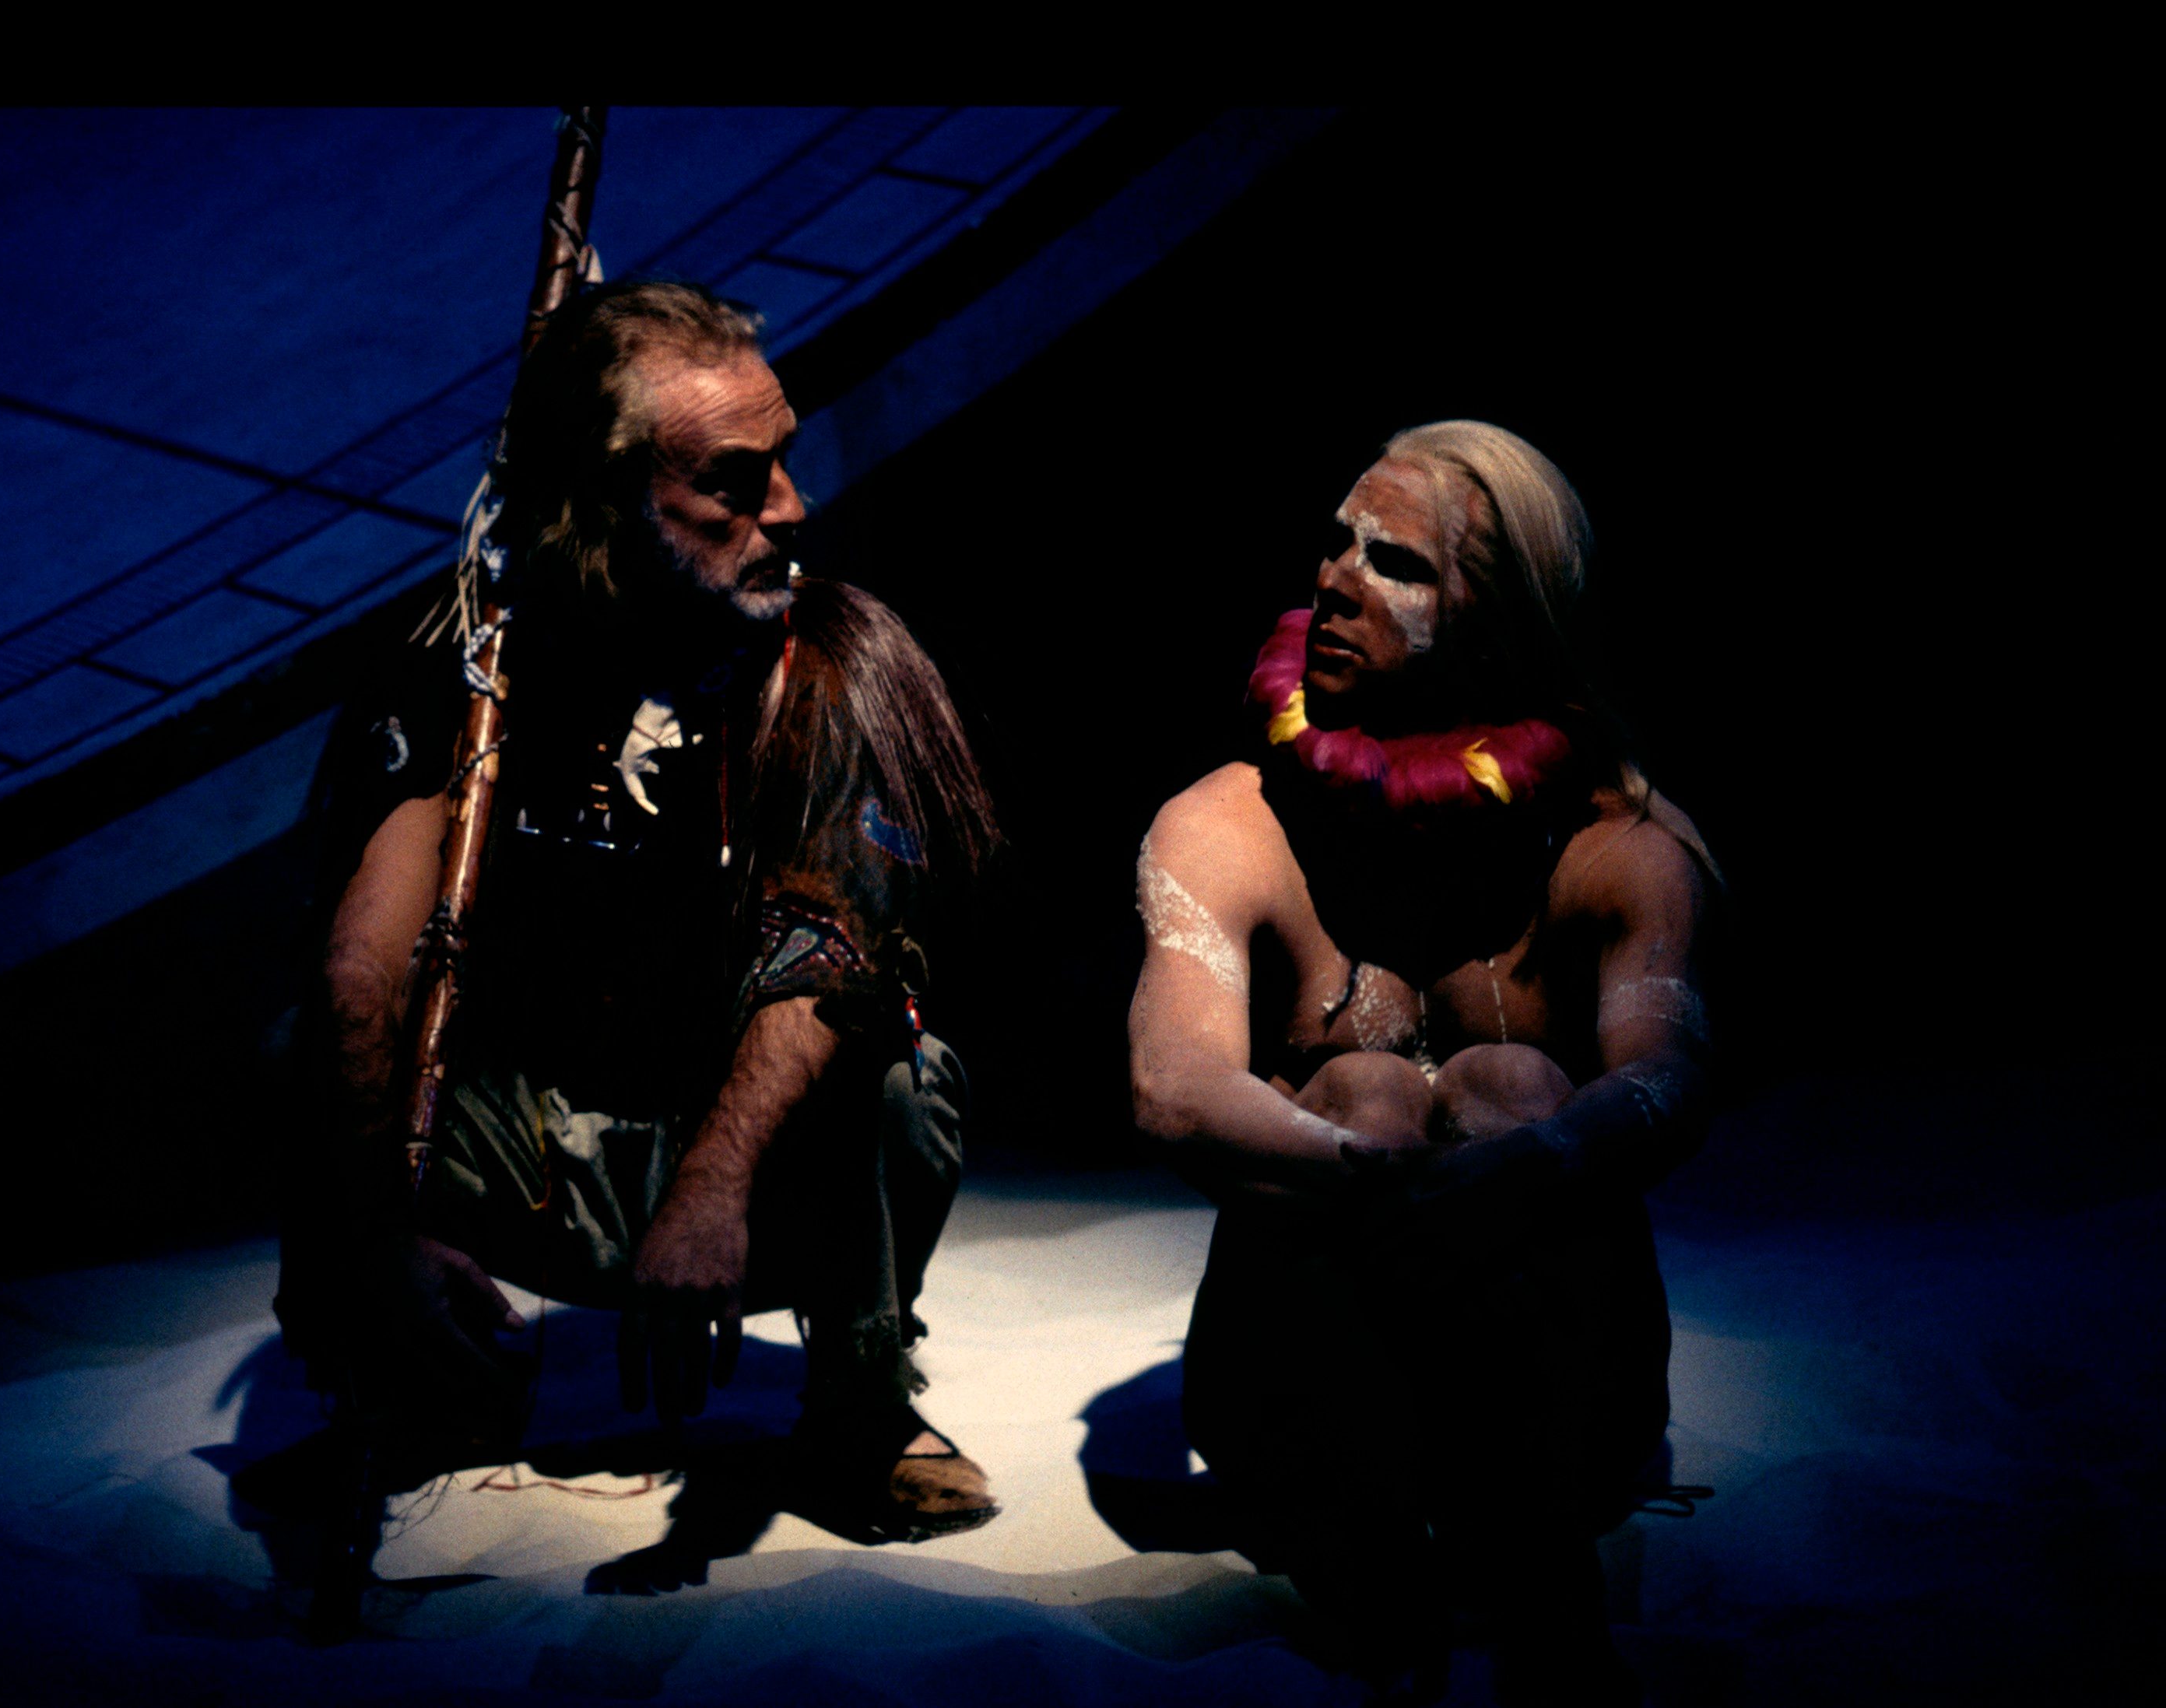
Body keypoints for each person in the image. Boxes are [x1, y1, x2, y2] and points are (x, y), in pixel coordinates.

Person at [283, 280, 1002, 1541]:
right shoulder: (470, 662)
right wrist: (374, 1238)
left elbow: (824, 957)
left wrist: (711, 1191)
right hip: (526, 1155)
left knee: (897, 1070)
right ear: (605, 498)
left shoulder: (827, 661)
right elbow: (361, 976)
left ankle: (860, 1406)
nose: (790, 506)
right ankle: (414, 1362)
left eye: (782, 459)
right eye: (732, 483)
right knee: (320, 1055)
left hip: (750, 1165)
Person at [1127, 421, 1718, 1698]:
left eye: (1393, 562)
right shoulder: (1228, 825)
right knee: (1366, 1088)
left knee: (1515, 1088)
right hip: (1299, 1417)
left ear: (1500, 624)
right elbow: (1173, 1089)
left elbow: (1666, 1077)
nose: (1336, 579)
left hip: (1570, 1412)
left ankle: (1530, 1567)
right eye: (1337, 542)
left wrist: (1530, 1164)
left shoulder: (1619, 845)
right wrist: (1364, 1162)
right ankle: (1388, 1578)